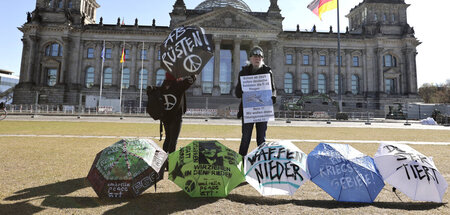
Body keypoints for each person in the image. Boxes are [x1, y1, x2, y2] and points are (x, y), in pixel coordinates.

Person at [235, 46, 276, 157]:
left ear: (262, 59)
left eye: (259, 57)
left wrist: (272, 98)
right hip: (248, 111)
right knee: (245, 138)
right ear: (250, 58)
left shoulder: (267, 71)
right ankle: (241, 162)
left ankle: (262, 164)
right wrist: (242, 90)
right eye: (255, 57)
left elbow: (272, 90)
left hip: (262, 111)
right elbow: (238, 93)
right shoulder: (243, 72)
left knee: (261, 139)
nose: (257, 59)